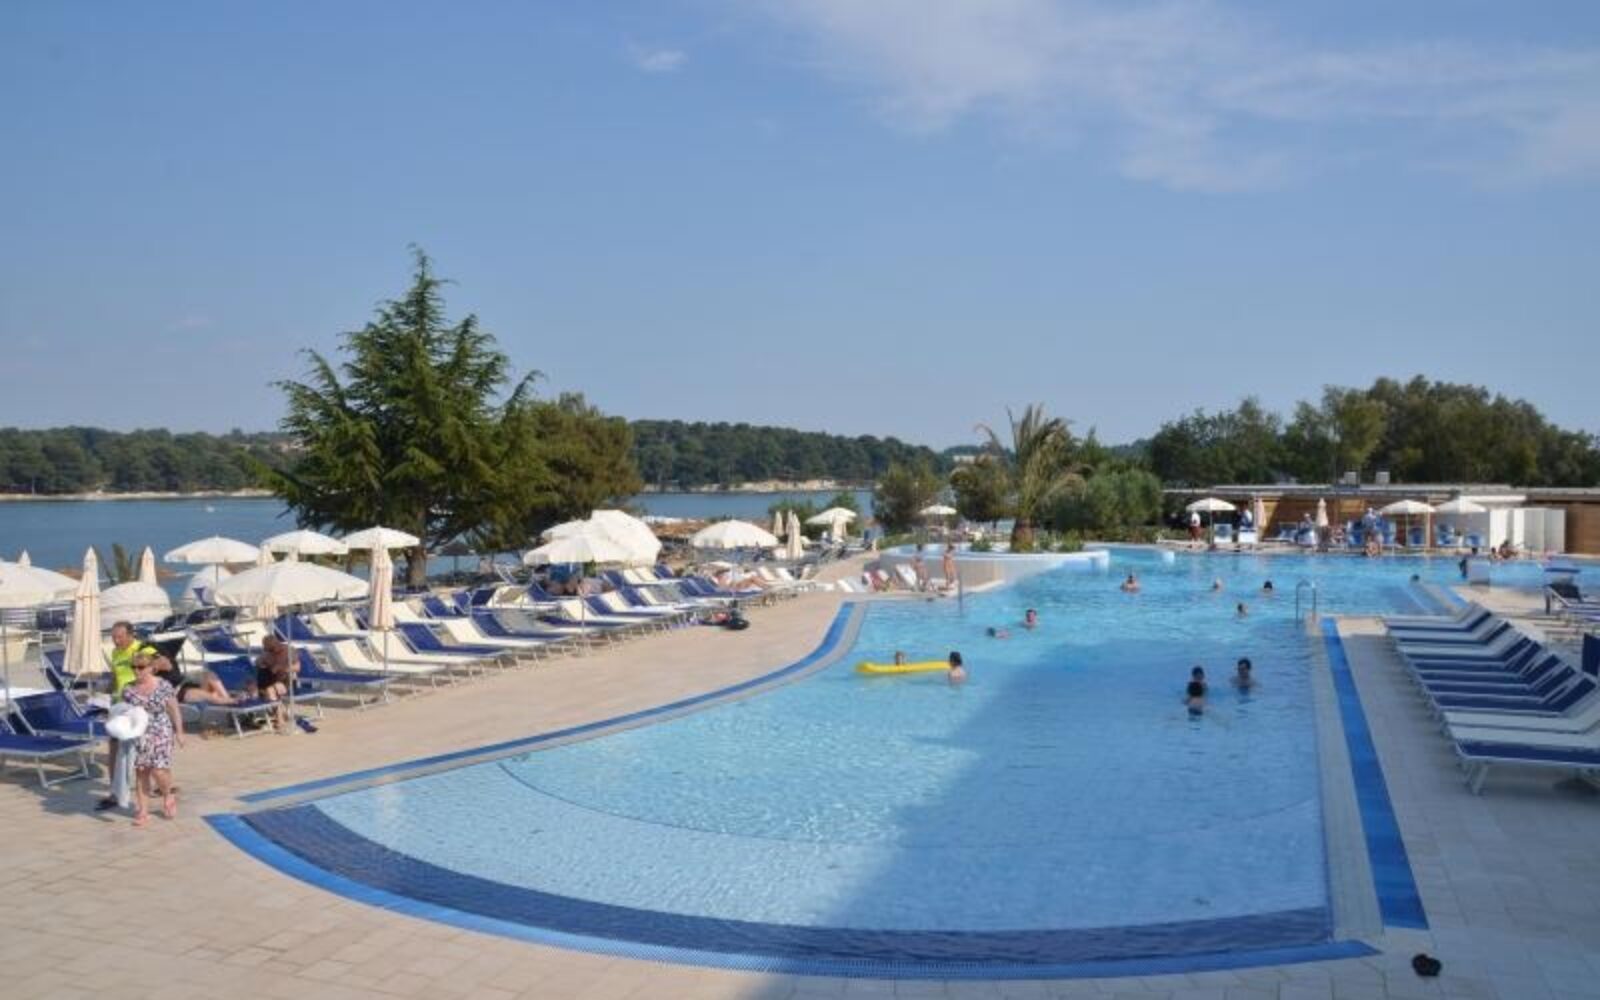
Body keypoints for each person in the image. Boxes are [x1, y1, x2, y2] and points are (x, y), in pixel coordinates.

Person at [97, 622, 158, 811]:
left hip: (139, 705)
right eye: (113, 637)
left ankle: (160, 784)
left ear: (131, 635)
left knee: (145, 747)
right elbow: (116, 677)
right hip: (119, 705)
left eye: (120, 637)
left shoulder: (142, 648)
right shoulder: (115, 652)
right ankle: (114, 793)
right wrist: (103, 696)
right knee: (114, 747)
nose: (116, 641)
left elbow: (163, 665)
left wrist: (142, 679)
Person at [121, 651, 184, 826]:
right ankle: (143, 811)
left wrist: (179, 732)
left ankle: (167, 794)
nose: (136, 671)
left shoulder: (163, 685)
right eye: (133, 667)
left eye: (140, 667)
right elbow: (125, 713)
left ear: (151, 668)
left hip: (161, 729)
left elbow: (174, 709)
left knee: (158, 770)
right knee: (142, 771)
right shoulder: (128, 690)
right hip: (140, 733)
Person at [253, 635, 298, 732]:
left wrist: (282, 668)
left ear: (277, 644)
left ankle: (280, 719)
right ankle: (281, 714)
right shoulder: (267, 653)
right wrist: (262, 664)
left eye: (271, 649)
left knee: (270, 691)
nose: (271, 652)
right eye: (268, 649)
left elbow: (297, 667)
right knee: (263, 690)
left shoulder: (289, 650)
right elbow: (257, 663)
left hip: (287, 680)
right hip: (272, 680)